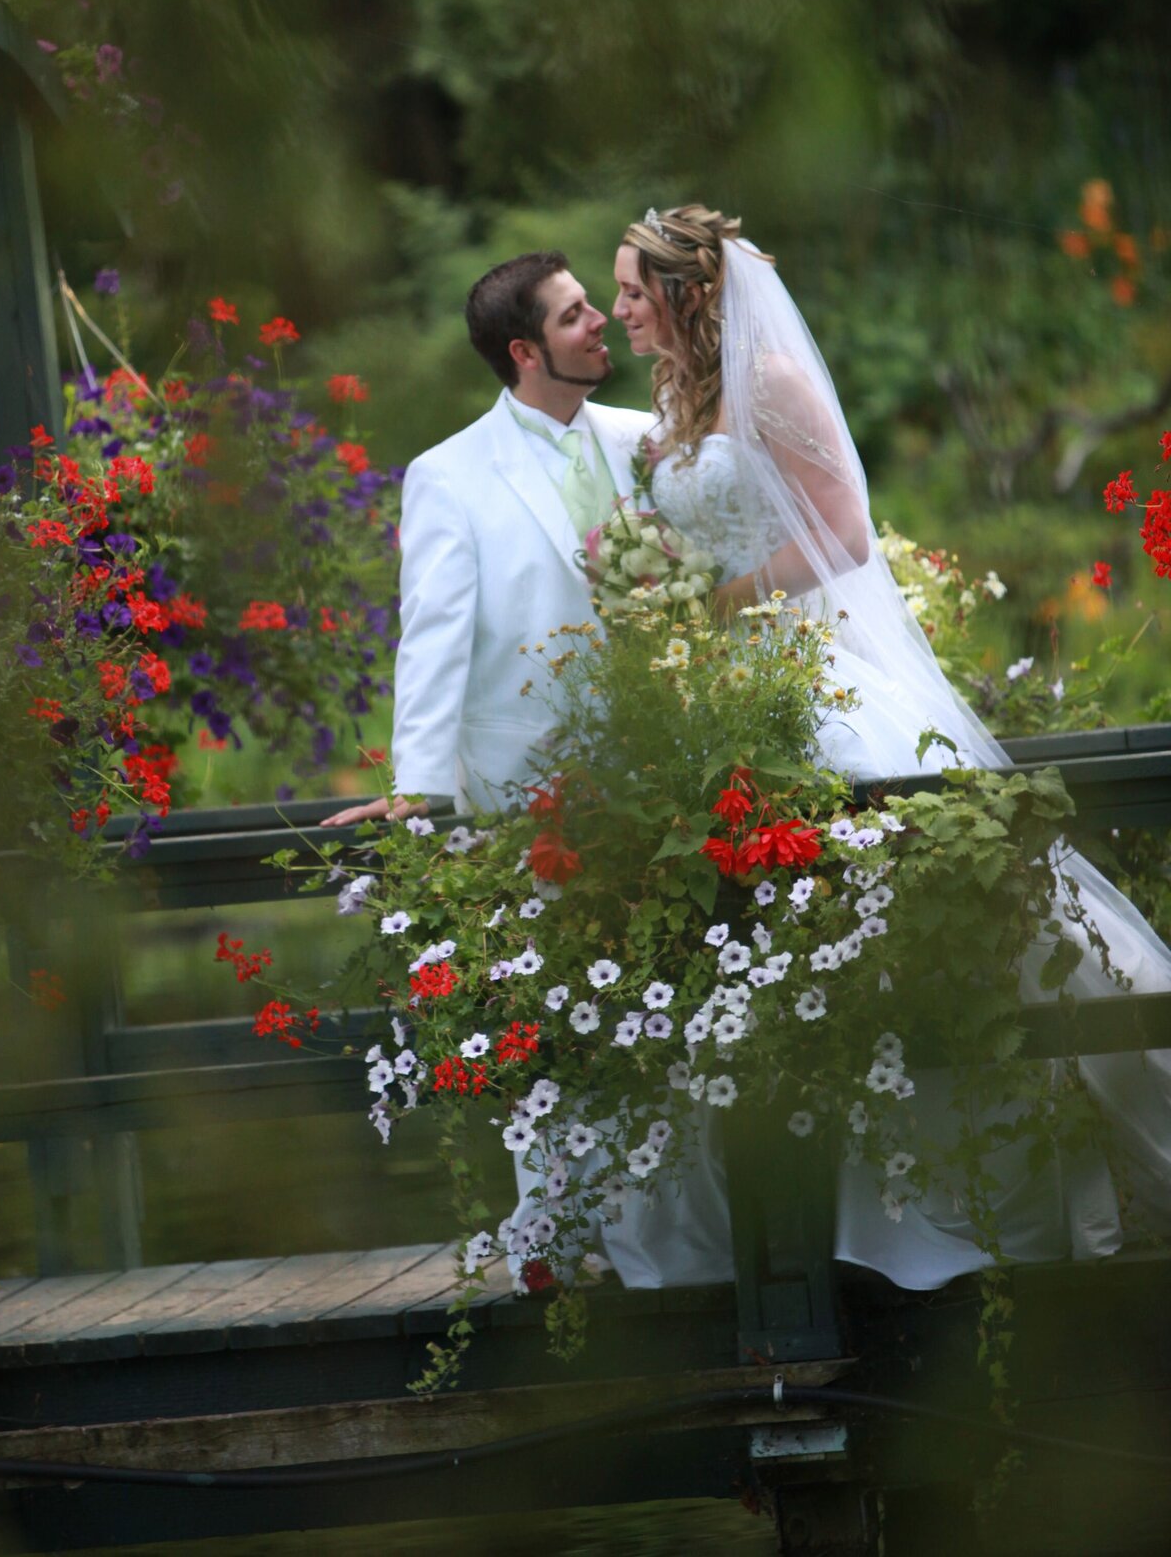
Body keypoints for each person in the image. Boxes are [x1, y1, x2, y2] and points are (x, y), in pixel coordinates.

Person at [609, 202, 1171, 1289]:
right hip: (729, 686)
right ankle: (786, 1218)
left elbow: (846, 535)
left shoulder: (769, 384)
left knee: (898, 923)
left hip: (811, 670)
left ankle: (948, 1207)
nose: (624, 309)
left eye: (634, 290)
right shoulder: (678, 397)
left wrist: (713, 604)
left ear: (687, 292)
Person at [321, 252, 653, 829]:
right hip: (530, 787)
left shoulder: (648, 438)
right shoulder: (447, 475)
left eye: (589, 303)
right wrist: (419, 784)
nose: (602, 319)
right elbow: (433, 633)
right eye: (573, 316)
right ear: (524, 353)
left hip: (662, 770)